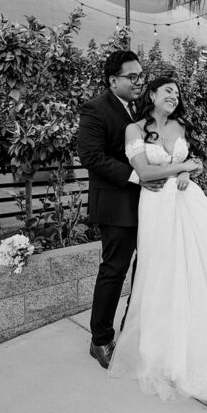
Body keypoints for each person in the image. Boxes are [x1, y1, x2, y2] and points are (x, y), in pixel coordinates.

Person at [108, 76, 207, 403]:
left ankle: (196, 346)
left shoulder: (180, 127)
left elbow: (188, 165)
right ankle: (164, 354)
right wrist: (183, 166)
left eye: (177, 92)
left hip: (189, 206)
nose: (174, 95)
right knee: (162, 274)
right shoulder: (135, 130)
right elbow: (145, 173)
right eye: (168, 90)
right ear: (152, 94)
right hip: (156, 207)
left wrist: (185, 171)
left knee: (199, 273)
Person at [77, 49, 165, 370]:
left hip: (148, 205)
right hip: (115, 205)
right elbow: (91, 156)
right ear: (113, 80)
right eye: (132, 76)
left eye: (140, 75)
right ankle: (100, 339)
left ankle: (129, 331)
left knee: (144, 271)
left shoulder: (142, 109)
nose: (138, 81)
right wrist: (135, 175)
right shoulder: (95, 109)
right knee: (114, 272)